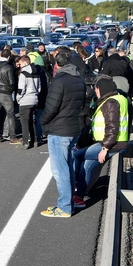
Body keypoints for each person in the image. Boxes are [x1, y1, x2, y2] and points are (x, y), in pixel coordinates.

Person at [40, 51, 86, 218]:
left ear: (57, 65)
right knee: (68, 167)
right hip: (74, 127)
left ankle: (64, 206)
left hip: (59, 129)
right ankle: (70, 202)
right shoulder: (78, 79)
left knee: (60, 170)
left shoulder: (59, 81)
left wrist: (42, 121)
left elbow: (51, 107)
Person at [73, 78, 129, 208]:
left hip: (111, 144)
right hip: (113, 142)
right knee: (86, 162)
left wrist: (104, 148)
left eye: (96, 89)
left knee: (82, 160)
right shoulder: (120, 98)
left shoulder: (110, 103)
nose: (95, 92)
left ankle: (79, 196)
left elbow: (112, 127)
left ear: (101, 88)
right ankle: (80, 189)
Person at [0, 49, 21, 144]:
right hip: (6, 93)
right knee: (10, 115)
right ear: (9, 57)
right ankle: (12, 137)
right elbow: (11, 81)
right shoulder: (8, 67)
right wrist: (10, 89)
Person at [17, 55, 40, 149]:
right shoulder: (37, 73)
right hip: (34, 99)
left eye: (20, 64)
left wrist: (18, 98)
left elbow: (21, 89)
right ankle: (35, 141)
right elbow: (39, 88)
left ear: (25, 63)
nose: (19, 66)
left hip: (25, 100)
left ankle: (25, 142)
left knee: (24, 122)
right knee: (32, 121)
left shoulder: (23, 74)